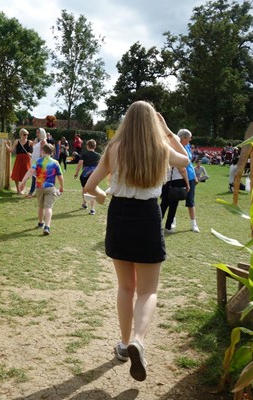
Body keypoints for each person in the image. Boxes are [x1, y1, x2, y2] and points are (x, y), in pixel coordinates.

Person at [83, 101, 189, 382]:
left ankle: (123, 342)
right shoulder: (161, 148)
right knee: (147, 291)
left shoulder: (114, 149)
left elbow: (89, 187)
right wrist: (167, 131)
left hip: (119, 215)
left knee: (125, 287)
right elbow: (186, 160)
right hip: (147, 215)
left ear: (126, 122)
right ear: (153, 124)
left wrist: (106, 197)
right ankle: (138, 342)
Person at [18, 143, 64, 235]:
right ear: (52, 153)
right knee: (48, 207)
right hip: (50, 187)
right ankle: (47, 226)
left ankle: (40, 223)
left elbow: (31, 171)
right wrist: (61, 186)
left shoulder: (38, 161)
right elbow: (60, 176)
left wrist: (23, 181)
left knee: (41, 206)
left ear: (42, 151)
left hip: (39, 187)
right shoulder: (55, 163)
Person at [176, 129, 199, 233]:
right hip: (179, 177)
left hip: (189, 176)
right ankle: (172, 221)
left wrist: (194, 176)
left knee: (190, 201)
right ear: (183, 138)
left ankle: (193, 224)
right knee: (174, 199)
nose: (191, 139)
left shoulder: (188, 146)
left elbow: (189, 163)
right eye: (189, 137)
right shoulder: (176, 147)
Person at [74, 139, 101, 214]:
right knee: (93, 191)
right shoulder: (98, 155)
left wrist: (76, 173)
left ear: (87, 146)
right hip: (94, 176)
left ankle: (85, 203)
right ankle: (92, 209)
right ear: (95, 146)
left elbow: (80, 164)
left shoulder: (84, 154)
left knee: (84, 189)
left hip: (85, 175)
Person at [6, 129, 32, 194]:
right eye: (24, 134)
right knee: (16, 174)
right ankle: (18, 190)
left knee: (25, 174)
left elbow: (34, 151)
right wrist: (6, 145)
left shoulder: (29, 142)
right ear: (21, 135)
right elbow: (11, 150)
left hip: (26, 160)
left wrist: (30, 154)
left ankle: (22, 189)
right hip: (19, 159)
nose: (26, 136)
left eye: (27, 134)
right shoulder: (17, 141)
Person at [25, 128, 47, 198]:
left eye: (38, 133)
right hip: (35, 161)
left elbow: (42, 153)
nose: (36, 134)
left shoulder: (43, 141)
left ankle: (31, 193)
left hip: (39, 162)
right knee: (37, 178)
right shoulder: (39, 141)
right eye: (36, 133)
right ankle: (38, 193)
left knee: (35, 178)